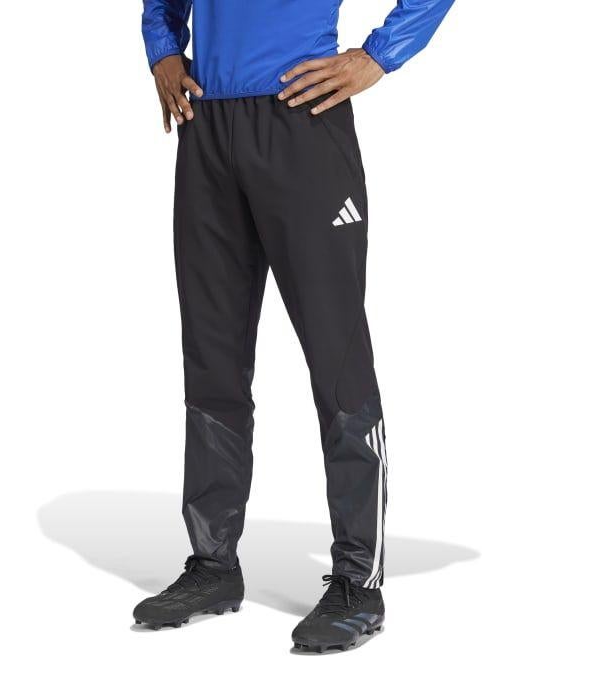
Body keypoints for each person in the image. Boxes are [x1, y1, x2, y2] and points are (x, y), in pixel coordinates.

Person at [133, 0, 454, 652]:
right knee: (212, 356)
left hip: (302, 121)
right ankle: (213, 563)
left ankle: (357, 582)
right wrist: (162, 50)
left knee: (337, 358)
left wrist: (379, 56)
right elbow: (160, 6)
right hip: (208, 127)